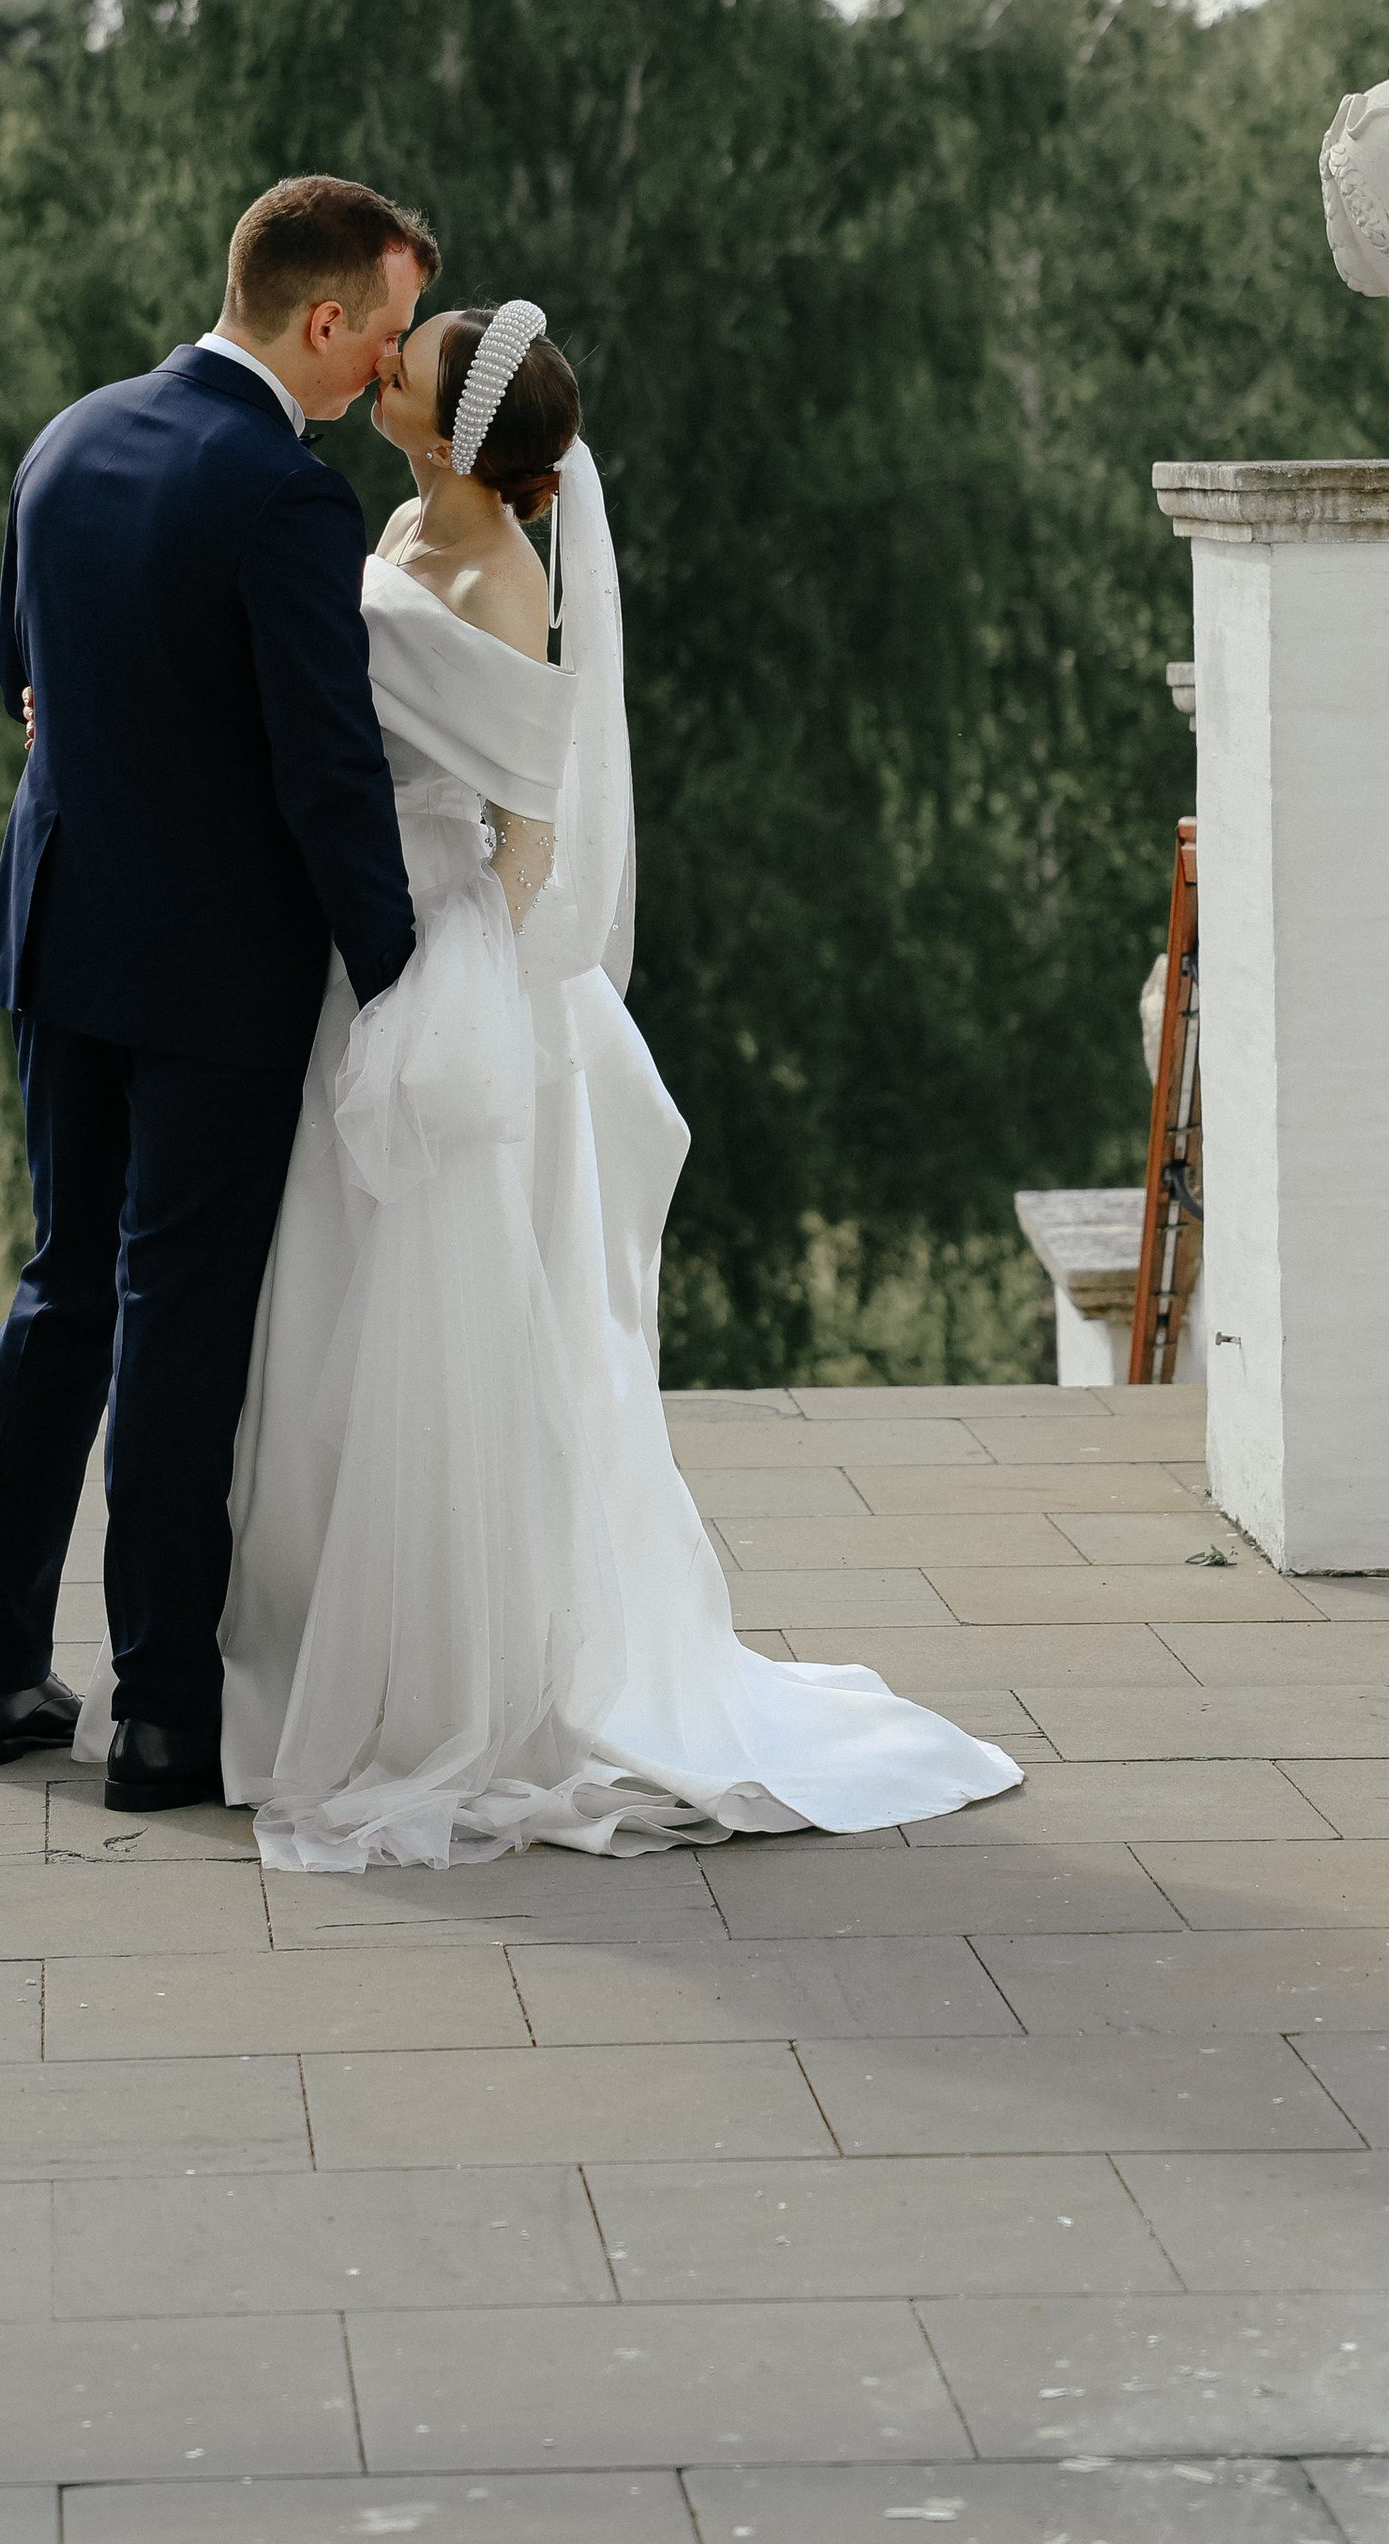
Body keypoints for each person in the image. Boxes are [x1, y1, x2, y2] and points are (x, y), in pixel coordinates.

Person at [189, 298, 1025, 1867]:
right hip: (361, 951)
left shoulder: (507, 580)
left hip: (452, 969)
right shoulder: (395, 521)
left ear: (448, 429)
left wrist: (457, 1003)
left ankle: (453, 1673)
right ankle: (320, 1644)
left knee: (445, 1325)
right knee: (330, 1310)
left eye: (413, 357)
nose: (388, 356)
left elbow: (534, 839)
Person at [0, 176, 434, 1815]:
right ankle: (162, 1717)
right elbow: (326, 772)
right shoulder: (279, 497)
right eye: (377, 337)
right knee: (175, 1317)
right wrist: (403, 976)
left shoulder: (65, 439)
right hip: (211, 972)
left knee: (61, 1288)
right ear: (321, 319)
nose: (381, 374)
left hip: (58, 933)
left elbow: (21, 680)